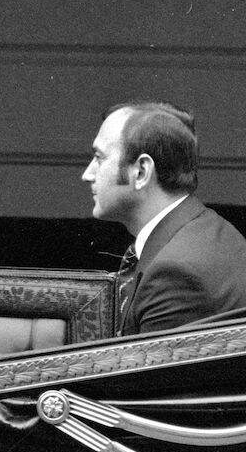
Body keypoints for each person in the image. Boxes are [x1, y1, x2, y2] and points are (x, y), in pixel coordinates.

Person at [83, 100, 246, 335]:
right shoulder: (208, 230)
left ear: (141, 172)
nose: (87, 174)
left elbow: (145, 373)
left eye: (99, 157)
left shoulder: (175, 274)